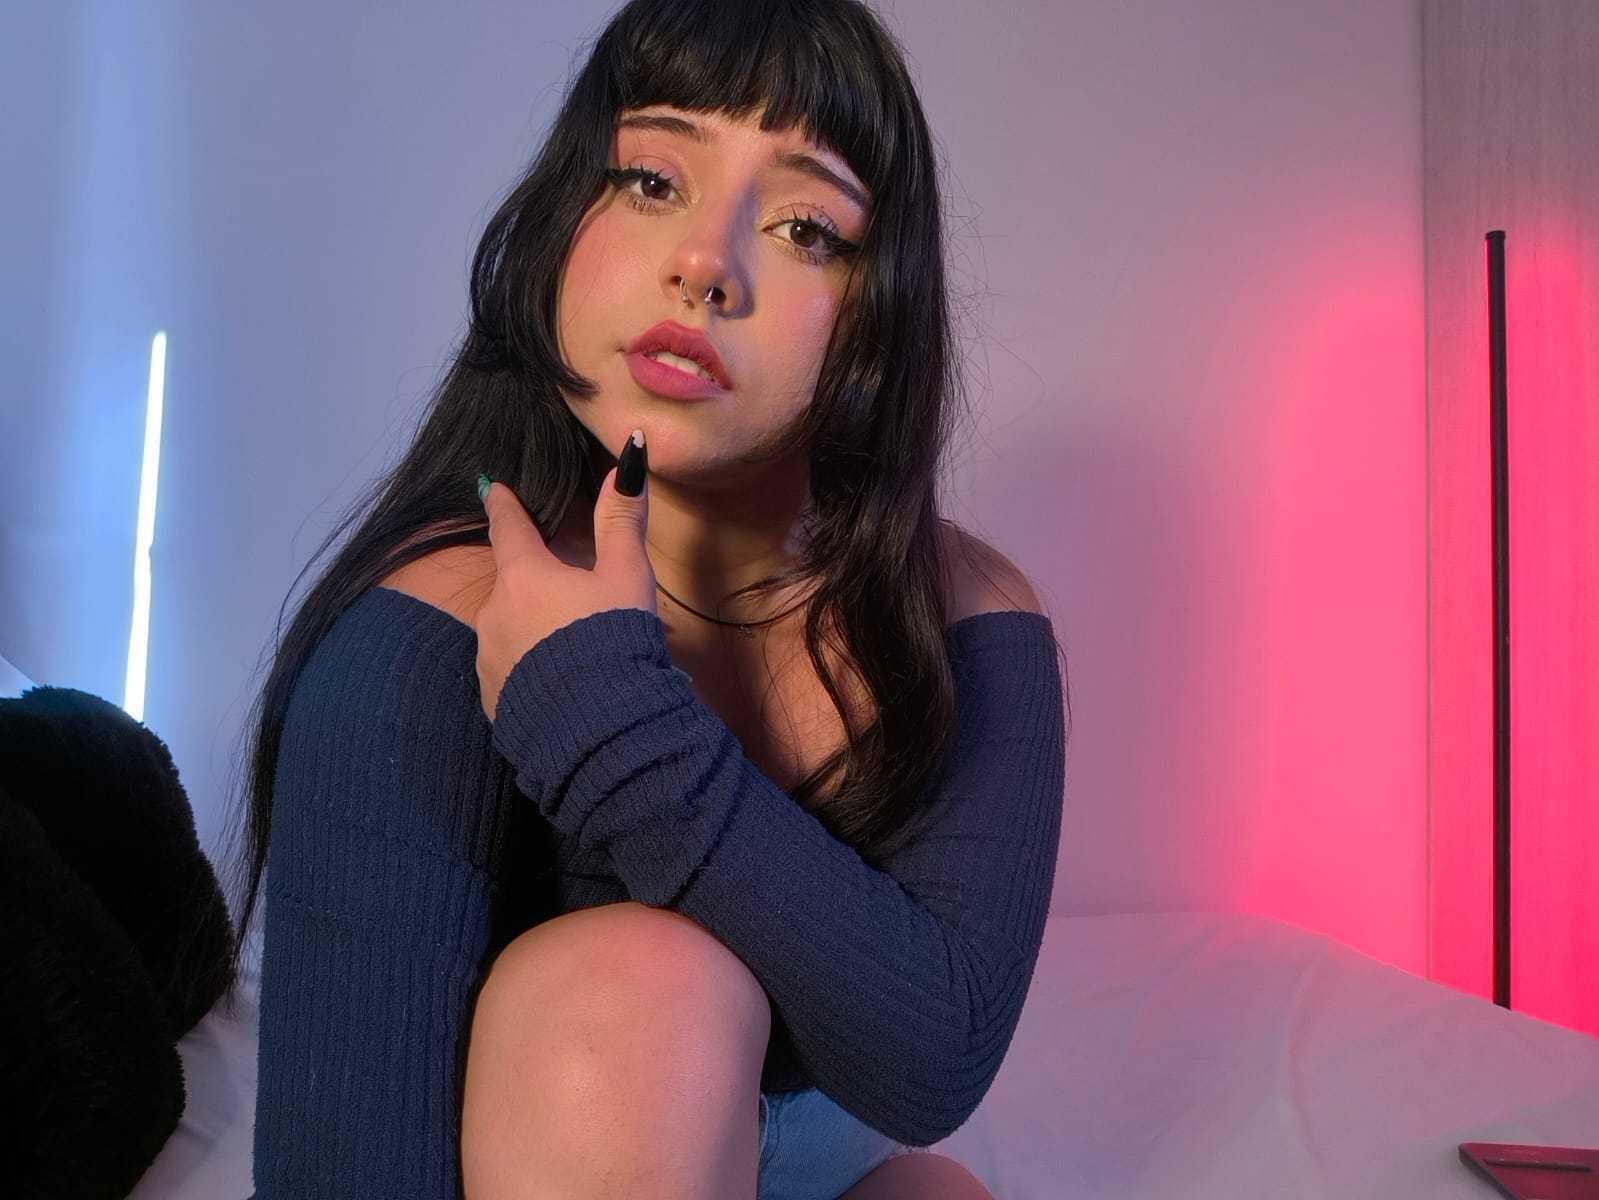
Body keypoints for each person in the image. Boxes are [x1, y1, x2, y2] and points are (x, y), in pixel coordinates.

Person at [219, 1, 1072, 1196]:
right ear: (562, 213)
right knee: (638, 991)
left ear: (881, 308)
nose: (706, 264)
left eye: (804, 227)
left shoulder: (963, 614)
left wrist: (614, 716)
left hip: (795, 1162)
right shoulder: (420, 642)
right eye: (652, 181)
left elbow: (935, 1066)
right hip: (549, 1136)